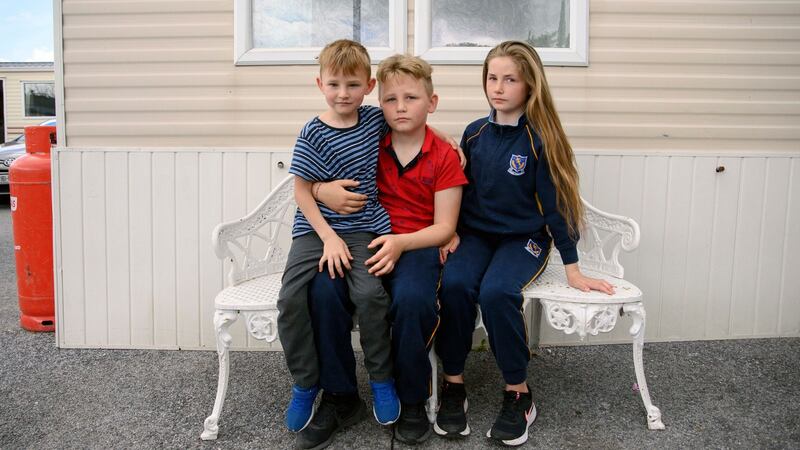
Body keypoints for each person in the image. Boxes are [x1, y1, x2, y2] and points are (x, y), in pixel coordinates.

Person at [432, 40, 616, 446]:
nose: (498, 87)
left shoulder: (539, 140)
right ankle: (453, 384)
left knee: (497, 291)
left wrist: (572, 266)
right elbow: (458, 189)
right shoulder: (475, 133)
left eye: (509, 79)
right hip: (476, 235)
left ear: (530, 85)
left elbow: (555, 208)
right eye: (492, 78)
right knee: (457, 284)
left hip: (523, 240)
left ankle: (519, 392)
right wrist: (451, 230)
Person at [299, 54, 467, 448]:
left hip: (414, 244)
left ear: (432, 101)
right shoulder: (370, 138)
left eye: (411, 98)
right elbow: (313, 177)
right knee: (324, 290)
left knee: (411, 301)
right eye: (391, 100)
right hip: (362, 239)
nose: (401, 107)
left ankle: (411, 399)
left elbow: (445, 227)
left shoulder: (442, 156)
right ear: (379, 103)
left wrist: (402, 242)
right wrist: (322, 190)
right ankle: (340, 396)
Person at [277, 39, 400, 435]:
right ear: (320, 84)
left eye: (351, 84)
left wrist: (448, 140)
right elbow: (301, 190)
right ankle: (305, 383)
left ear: (368, 84)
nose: (342, 93)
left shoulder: (374, 120)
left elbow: (410, 121)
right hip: (315, 231)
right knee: (291, 298)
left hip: (363, 227)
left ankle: (381, 380)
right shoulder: (314, 131)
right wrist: (329, 237)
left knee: (369, 295)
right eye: (334, 84)